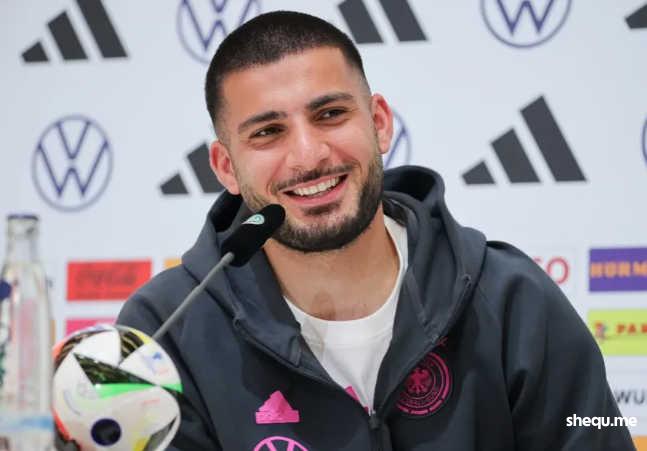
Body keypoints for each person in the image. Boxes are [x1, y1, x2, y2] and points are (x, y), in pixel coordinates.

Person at [117, 11, 635, 451]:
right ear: (226, 167)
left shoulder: (514, 302)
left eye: (330, 114)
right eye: (269, 132)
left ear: (380, 122)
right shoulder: (166, 330)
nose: (308, 156)